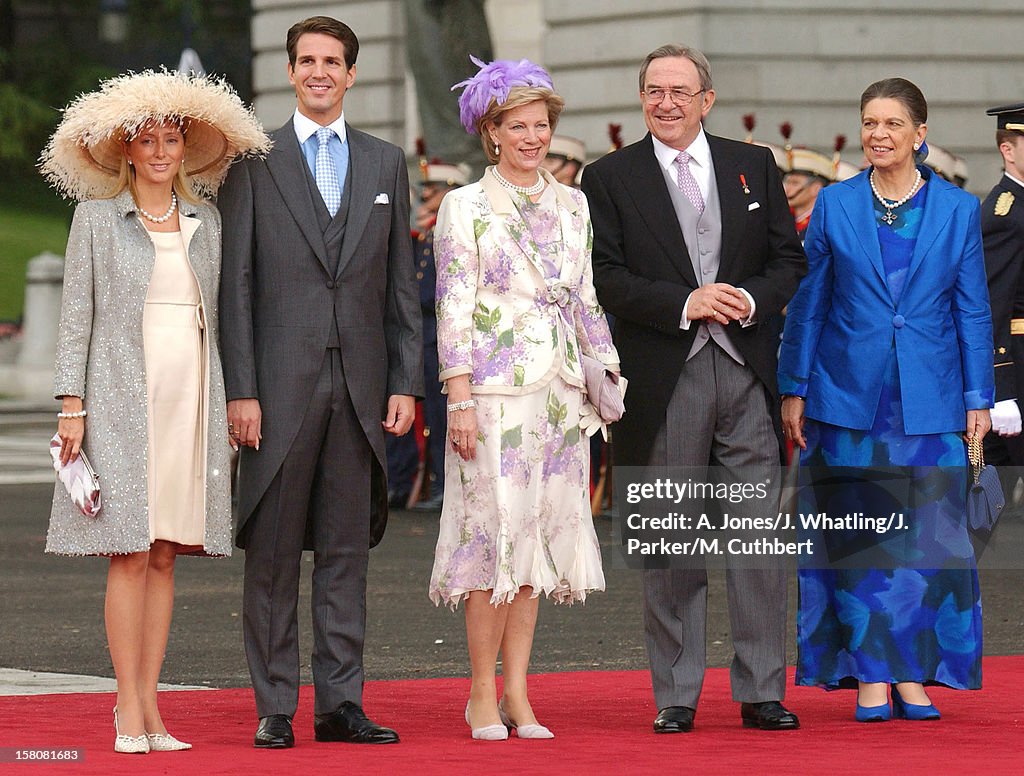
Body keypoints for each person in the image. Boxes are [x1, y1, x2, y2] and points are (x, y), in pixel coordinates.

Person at [40, 71, 269, 753]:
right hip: (118, 397)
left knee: (167, 551)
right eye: (150, 140)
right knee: (129, 550)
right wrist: (72, 406)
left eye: (173, 138)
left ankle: (155, 708)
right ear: (128, 152)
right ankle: (126, 707)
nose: (163, 149)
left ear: (185, 149)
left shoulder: (209, 221)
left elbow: (221, 319)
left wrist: (231, 397)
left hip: (190, 395)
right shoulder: (95, 219)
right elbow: (76, 315)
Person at [582, 44, 806, 733]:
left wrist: (741, 296)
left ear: (706, 99)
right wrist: (686, 301)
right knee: (672, 539)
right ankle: (676, 694)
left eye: (680, 90)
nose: (666, 102)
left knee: (756, 539)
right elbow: (605, 276)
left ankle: (763, 687)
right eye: (653, 90)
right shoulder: (610, 176)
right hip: (662, 373)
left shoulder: (753, 166)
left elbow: (787, 260)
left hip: (745, 370)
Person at [217, 16, 422, 749]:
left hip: (363, 388)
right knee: (271, 555)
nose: (319, 72)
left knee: (344, 553)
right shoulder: (251, 163)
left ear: (351, 73)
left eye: (333, 61)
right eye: (307, 60)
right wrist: (241, 389)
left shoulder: (385, 161)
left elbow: (402, 284)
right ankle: (276, 705)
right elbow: (234, 288)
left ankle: (341, 704)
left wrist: (407, 381)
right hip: (275, 390)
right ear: (291, 70)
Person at [779, 78, 992, 721]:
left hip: (931, 399)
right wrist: (794, 385)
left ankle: (914, 676)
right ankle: (871, 676)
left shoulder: (957, 210)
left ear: (919, 135)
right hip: (848, 397)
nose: (878, 134)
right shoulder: (836, 205)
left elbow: (973, 311)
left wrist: (978, 397)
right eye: (869, 122)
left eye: (892, 124)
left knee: (930, 542)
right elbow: (809, 304)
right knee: (862, 542)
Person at [428, 57, 619, 741]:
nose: (533, 137)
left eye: (542, 125)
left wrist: (608, 372)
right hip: (492, 392)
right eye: (519, 126)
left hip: (561, 396)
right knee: (491, 541)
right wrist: (458, 398)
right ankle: (480, 693)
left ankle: (518, 693)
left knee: (535, 542)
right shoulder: (465, 206)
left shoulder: (574, 204)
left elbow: (586, 296)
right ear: (493, 132)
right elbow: (451, 306)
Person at [387, 159, 470, 511]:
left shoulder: (449, 232)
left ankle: (442, 484)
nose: (426, 196)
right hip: (422, 336)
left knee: (442, 416)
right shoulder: (425, 233)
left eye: (433, 189)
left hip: (440, 337)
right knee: (425, 417)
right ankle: (418, 481)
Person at [982, 103, 1024, 469]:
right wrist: (1002, 389)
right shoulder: (1006, 214)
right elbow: (993, 302)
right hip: (1018, 367)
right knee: (993, 491)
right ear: (1007, 151)